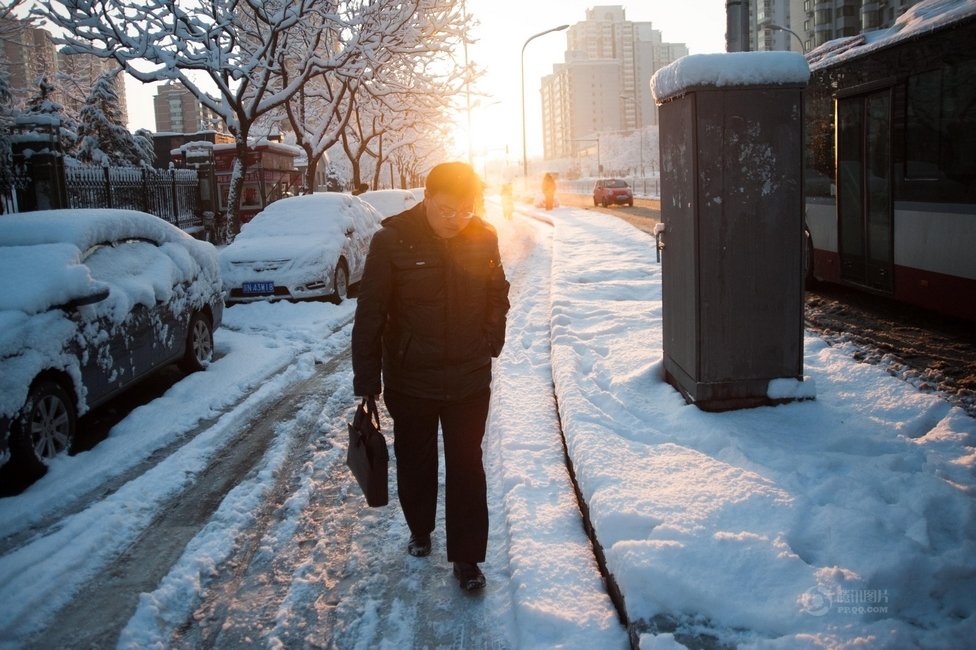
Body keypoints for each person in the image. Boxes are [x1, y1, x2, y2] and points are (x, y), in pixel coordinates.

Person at [352, 162, 510, 592]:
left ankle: (468, 559)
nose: (457, 220)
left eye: (465, 210)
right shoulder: (391, 242)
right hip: (411, 380)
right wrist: (367, 381)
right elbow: (370, 315)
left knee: (467, 466)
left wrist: (490, 337)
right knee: (416, 461)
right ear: (427, 199)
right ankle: (419, 528)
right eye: (446, 210)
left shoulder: (484, 236)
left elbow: (497, 290)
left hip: (469, 378)